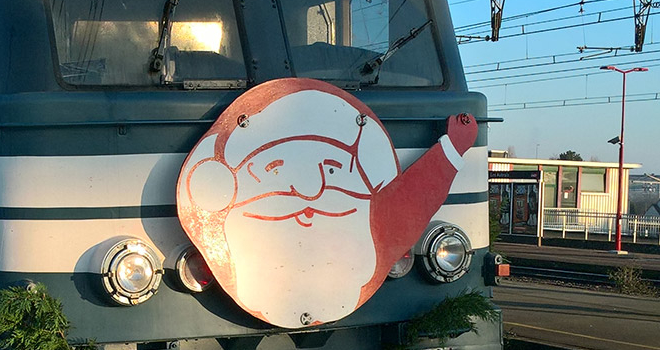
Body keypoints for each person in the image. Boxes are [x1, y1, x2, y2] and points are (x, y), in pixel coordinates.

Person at [176, 78, 477, 328]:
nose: (309, 190)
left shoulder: (372, 215)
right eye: (276, 168)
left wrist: (451, 150)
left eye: (331, 169)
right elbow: (408, 204)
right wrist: (451, 151)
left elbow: (410, 201)